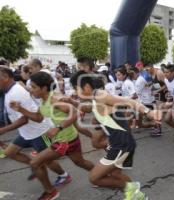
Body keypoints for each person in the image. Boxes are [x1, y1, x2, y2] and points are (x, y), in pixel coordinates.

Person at [69, 70, 162, 200]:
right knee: (116, 174)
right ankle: (136, 195)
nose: (74, 92)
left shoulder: (100, 95)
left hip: (121, 145)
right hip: (119, 143)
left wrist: (148, 112)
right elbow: (87, 108)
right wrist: (71, 102)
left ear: (86, 87)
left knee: (94, 178)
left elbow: (129, 101)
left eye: (75, 88)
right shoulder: (95, 98)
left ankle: (133, 190)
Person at [10, 71, 94, 200]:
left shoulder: (54, 99)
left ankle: (50, 192)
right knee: (80, 162)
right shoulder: (43, 101)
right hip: (69, 139)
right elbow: (38, 118)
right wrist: (20, 109)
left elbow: (76, 112)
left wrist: (58, 128)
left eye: (33, 87)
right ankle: (102, 174)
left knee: (35, 163)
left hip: (64, 141)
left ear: (43, 88)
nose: (31, 91)